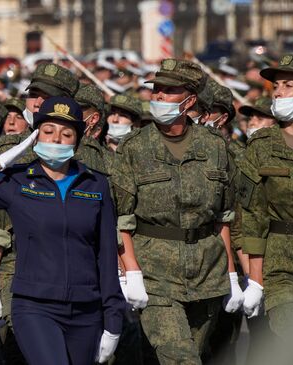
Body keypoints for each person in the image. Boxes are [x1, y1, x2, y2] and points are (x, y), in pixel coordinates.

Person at [0, 96, 125, 365]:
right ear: (36, 137)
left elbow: (106, 255)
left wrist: (114, 320)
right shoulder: (17, 181)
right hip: (35, 306)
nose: (57, 139)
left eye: (67, 133)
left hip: (87, 309)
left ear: (77, 140)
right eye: (48, 131)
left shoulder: (95, 185)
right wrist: (1, 160)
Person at [113, 59, 242, 364]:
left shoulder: (215, 147)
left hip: (207, 271)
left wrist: (232, 275)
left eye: (168, 91)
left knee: (191, 353)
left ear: (189, 100)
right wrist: (130, 270)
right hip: (154, 269)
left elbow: (224, 217)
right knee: (180, 357)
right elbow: (122, 217)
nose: (157, 96)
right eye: (156, 90)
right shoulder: (134, 147)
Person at [240, 54, 293, 358]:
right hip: (283, 266)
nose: (278, 92)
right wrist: (256, 281)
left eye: (289, 85)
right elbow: (253, 216)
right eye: (276, 85)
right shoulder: (262, 146)